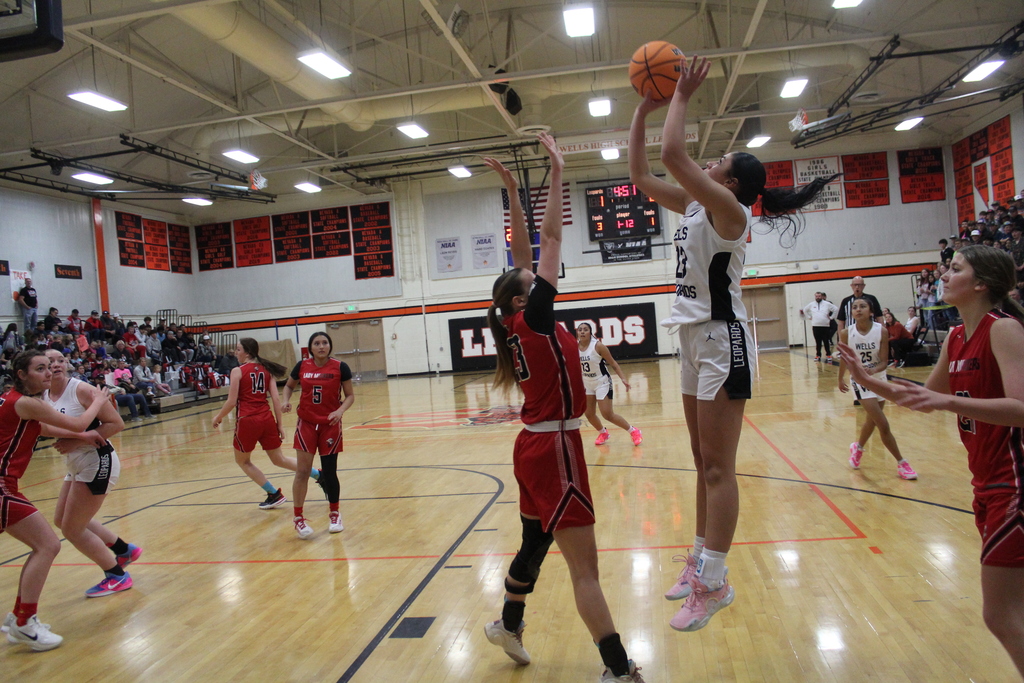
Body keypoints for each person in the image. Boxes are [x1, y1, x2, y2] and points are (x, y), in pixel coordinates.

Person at [629, 55, 838, 633]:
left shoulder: (729, 211)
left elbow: (673, 156)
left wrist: (681, 97)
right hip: (694, 336)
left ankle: (715, 582)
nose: (711, 162)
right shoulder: (698, 203)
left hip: (725, 341)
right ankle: (698, 559)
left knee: (720, 468)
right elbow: (644, 176)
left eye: (719, 161)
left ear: (734, 182)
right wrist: (644, 109)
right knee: (702, 461)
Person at [482, 137, 645, 682]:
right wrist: (556, 169)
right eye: (534, 284)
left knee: (534, 541)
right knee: (586, 571)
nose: (542, 278)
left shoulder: (515, 322)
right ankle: (618, 669)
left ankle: (508, 622)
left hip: (533, 445)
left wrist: (510, 190)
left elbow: (527, 258)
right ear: (522, 303)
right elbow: (550, 238)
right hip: (555, 446)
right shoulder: (533, 319)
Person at [837, 245, 1024, 677]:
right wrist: (867, 380)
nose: (943, 273)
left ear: (980, 284)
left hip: (1013, 482)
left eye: (954, 268)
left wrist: (942, 399)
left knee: (999, 614)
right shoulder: (958, 336)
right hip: (986, 483)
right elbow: (920, 400)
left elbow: (1020, 406)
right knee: (1012, 610)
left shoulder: (1004, 329)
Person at [0, 350, 109, 651]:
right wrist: (98, 403)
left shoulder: (16, 402)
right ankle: (24, 623)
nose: (48, 373)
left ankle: (18, 619)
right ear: (22, 375)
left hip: (6, 486)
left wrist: (86, 438)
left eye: (49, 367)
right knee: (48, 545)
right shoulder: (27, 403)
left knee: (43, 545)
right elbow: (78, 423)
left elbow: (43, 429)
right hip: (1, 486)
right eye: (40, 369)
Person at [41, 350, 142, 599]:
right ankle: (123, 550)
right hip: (76, 462)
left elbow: (116, 423)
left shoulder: (82, 390)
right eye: (49, 362)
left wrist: (76, 442)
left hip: (97, 460)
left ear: (67, 365)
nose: (55, 365)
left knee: (72, 530)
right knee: (62, 520)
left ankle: (117, 575)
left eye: (60, 361)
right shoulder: (42, 394)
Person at [212, 338, 321, 510]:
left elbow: (232, 401)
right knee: (279, 459)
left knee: (243, 461)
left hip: (247, 421)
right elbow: (276, 399)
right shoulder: (267, 370)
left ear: (247, 353)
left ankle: (273, 494)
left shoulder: (237, 371)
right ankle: (318, 475)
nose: (236, 352)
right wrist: (279, 425)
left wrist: (218, 416)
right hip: (267, 419)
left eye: (238, 349)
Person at [281, 332, 354, 539]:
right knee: (302, 471)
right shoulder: (302, 366)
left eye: (324, 343)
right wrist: (285, 400)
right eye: (317, 343)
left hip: (330, 425)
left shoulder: (340, 367)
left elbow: (350, 396)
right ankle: (298, 518)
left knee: (330, 472)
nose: (321, 346)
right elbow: (288, 386)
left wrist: (340, 411)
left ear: (330, 346)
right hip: (306, 424)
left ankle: (335, 513)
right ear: (310, 348)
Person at [837, 300, 917, 479]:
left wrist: (874, 369)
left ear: (871, 311)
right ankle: (902, 463)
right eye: (855, 308)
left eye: (862, 307)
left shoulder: (881, 330)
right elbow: (844, 358)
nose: (858, 310)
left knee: (872, 420)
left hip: (879, 378)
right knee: (883, 424)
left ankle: (857, 448)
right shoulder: (846, 333)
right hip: (860, 381)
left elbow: (883, 361)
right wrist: (840, 377)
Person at [575, 322, 642, 446]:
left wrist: (623, 379)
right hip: (587, 383)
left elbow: (613, 363)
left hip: (602, 382)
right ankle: (603, 433)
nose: (582, 332)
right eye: (580, 330)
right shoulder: (574, 347)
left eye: (585, 329)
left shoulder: (598, 346)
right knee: (589, 413)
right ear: (577, 333)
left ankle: (634, 431)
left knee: (607, 414)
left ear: (591, 333)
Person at [802, 292, 838, 362]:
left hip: (825, 326)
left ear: (821, 297)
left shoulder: (827, 304)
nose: (818, 297)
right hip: (815, 326)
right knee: (818, 342)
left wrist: (831, 317)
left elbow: (836, 309)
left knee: (826, 341)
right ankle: (818, 355)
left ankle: (828, 355)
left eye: (819, 296)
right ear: (815, 297)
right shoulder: (811, 304)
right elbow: (805, 310)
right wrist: (809, 317)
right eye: (816, 296)